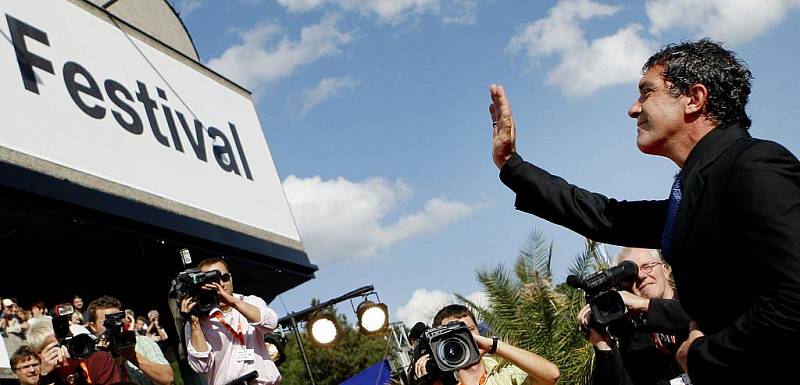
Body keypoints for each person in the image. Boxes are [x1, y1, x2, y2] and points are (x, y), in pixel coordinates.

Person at [489, 39, 800, 384]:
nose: (633, 109)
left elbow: (793, 296)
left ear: (694, 99)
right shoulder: (697, 189)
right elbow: (606, 217)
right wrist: (511, 164)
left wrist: (702, 356)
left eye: (646, 93)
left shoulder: (755, 165)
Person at [578, 248, 690, 385]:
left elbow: (705, 318)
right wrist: (604, 346)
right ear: (623, 288)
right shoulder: (631, 340)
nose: (641, 276)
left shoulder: (696, 302)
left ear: (665, 271)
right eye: (630, 277)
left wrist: (645, 304)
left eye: (647, 267)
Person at [181, 257, 282, 385]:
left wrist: (233, 302)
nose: (221, 285)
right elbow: (201, 367)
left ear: (231, 278)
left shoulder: (250, 301)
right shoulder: (196, 320)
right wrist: (194, 324)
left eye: (224, 278)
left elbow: (271, 324)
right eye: (213, 281)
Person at [411, 304, 559, 385]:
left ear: (479, 333)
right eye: (450, 337)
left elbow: (551, 375)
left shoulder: (505, 376)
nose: (463, 341)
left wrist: (493, 345)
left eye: (467, 331)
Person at [87, 296, 174, 385]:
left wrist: (132, 356)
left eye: (118, 320)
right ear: (93, 326)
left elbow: (167, 378)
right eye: (108, 323)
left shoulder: (142, 343)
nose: (115, 326)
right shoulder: (90, 356)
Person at [25, 317, 121, 385]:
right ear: (41, 354)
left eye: (69, 340)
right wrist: (46, 376)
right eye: (58, 345)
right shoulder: (39, 377)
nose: (67, 347)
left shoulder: (99, 360)